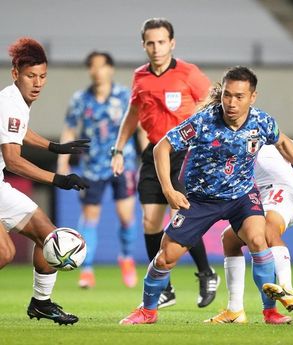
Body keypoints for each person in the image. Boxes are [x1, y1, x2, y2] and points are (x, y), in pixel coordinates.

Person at [118, 66, 293, 325]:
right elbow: (161, 147)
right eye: (227, 95)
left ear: (252, 97)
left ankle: (270, 312)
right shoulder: (203, 121)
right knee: (166, 256)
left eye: (239, 97)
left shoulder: (261, 122)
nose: (231, 103)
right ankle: (148, 311)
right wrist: (168, 189)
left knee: (259, 239)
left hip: (242, 197)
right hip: (201, 200)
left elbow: (284, 142)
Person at [111, 17, 220, 308]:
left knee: (181, 213)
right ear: (144, 45)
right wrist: (118, 149)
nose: (156, 48)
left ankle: (206, 273)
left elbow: (213, 104)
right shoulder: (140, 77)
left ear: (171, 43)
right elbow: (133, 114)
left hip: (185, 153)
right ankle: (165, 288)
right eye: (151, 42)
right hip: (153, 152)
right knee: (150, 221)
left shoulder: (189, 73)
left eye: (161, 42)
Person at [0, 37, 89, 325]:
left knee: (49, 235)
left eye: (42, 76)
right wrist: (58, 179)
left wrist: (54, 147)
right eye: (30, 76)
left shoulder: (16, 101)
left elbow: (19, 131)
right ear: (15, 74)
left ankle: (41, 303)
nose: (37, 83)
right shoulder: (9, 103)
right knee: (5, 253)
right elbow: (13, 160)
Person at [205, 142, 293, 325]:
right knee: (230, 239)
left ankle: (287, 287)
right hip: (258, 197)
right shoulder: (227, 148)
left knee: (267, 230)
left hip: (283, 191)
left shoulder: (268, 138)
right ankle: (236, 310)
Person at [57, 51, 138, 289]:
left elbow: (138, 126)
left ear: (110, 69)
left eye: (101, 66)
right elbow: (70, 130)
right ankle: (87, 268)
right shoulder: (80, 99)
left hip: (123, 163)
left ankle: (126, 257)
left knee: (126, 217)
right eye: (92, 66)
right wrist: (63, 161)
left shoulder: (125, 96)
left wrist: (149, 153)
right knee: (90, 218)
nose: (97, 71)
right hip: (92, 167)